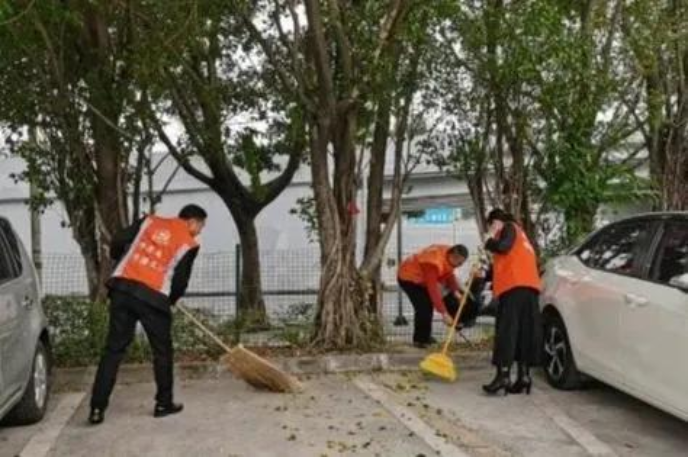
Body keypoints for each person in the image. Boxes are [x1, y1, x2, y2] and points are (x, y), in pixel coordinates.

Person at [88, 204, 207, 425]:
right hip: (153, 297)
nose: (199, 231)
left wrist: (119, 259)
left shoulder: (149, 221)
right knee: (162, 352)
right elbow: (180, 280)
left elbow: (117, 240)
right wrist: (170, 300)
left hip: (122, 288)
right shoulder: (189, 244)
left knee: (113, 349)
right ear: (192, 221)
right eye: (200, 226)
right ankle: (163, 403)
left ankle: (97, 408)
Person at [482, 209, 542, 396]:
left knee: (506, 331)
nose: (491, 229)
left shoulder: (508, 228)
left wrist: (488, 240)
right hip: (529, 287)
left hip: (513, 288)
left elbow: (502, 247)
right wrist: (484, 275)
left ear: (496, 221)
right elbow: (507, 259)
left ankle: (503, 377)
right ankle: (524, 377)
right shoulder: (522, 236)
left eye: (491, 224)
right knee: (524, 332)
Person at [397, 244, 470, 348]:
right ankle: (420, 341)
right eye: (459, 263)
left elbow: (449, 274)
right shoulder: (432, 263)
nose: (460, 266)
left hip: (422, 279)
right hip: (408, 278)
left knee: (428, 305)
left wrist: (455, 292)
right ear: (454, 256)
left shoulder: (448, 254)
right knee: (423, 307)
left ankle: (425, 336)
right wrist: (444, 313)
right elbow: (433, 289)